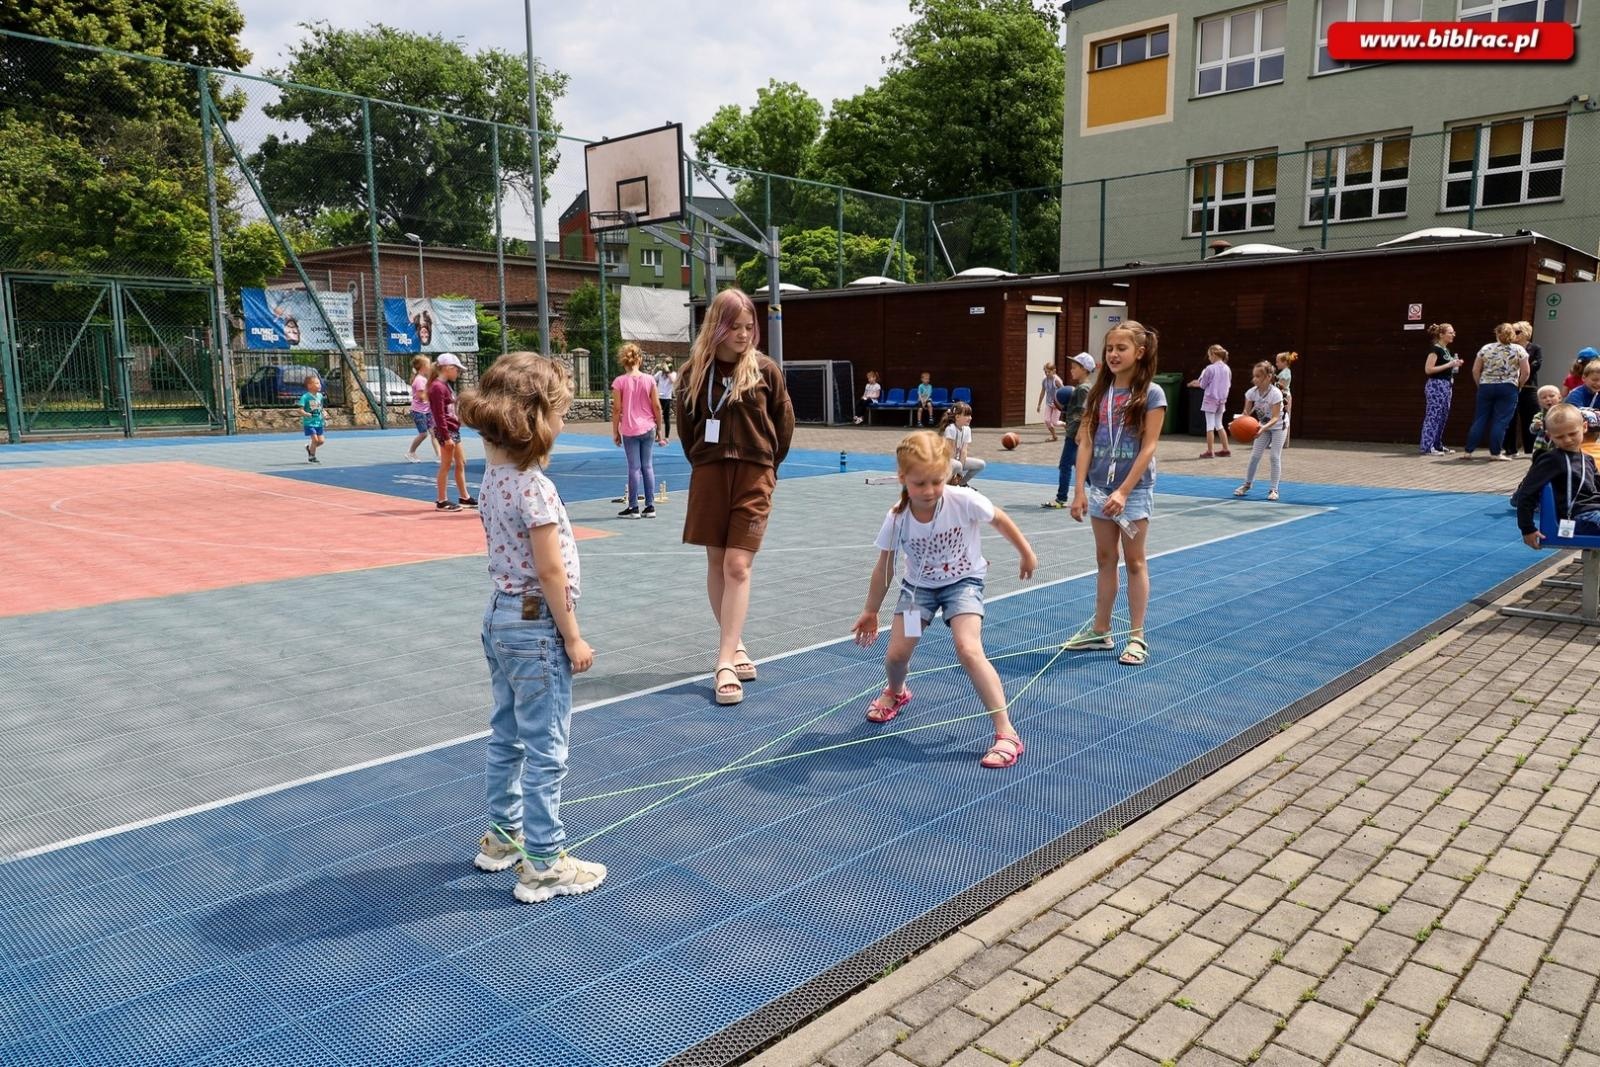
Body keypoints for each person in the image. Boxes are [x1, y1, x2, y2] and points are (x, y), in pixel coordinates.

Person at [457, 352, 606, 904]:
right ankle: (544, 863)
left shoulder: (492, 478)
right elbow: (550, 571)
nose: (564, 422)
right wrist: (573, 634)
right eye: (560, 413)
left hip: (499, 616)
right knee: (547, 749)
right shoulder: (534, 487)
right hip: (535, 624)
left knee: (507, 734)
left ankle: (503, 838)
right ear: (534, 419)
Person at [852, 430, 1038, 768]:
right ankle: (897, 692)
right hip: (917, 590)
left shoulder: (963, 499)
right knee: (897, 655)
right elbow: (885, 567)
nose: (929, 490)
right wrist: (870, 609)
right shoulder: (897, 518)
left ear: (947, 475)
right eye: (919, 483)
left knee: (969, 649)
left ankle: (1006, 731)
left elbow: (999, 518)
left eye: (936, 481)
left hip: (962, 584)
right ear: (902, 478)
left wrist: (1026, 553)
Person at [675, 288, 795, 706]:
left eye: (749, 327)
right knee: (716, 562)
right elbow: (687, 429)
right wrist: (705, 461)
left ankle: (723, 661)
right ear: (717, 327)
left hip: (754, 473)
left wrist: (767, 467)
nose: (744, 335)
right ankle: (736, 644)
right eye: (735, 327)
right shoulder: (693, 373)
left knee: (737, 565)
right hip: (709, 472)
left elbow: (784, 424)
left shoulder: (765, 370)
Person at [1062, 320, 1165, 667]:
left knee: (1135, 561)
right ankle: (1100, 630)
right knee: (1105, 559)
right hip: (1098, 490)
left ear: (1140, 352)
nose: (1113, 354)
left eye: (1121, 348)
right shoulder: (1097, 393)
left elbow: (1149, 447)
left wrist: (1123, 491)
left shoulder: (1152, 394)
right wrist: (1079, 490)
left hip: (1132, 493)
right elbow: (1085, 443)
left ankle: (1136, 636)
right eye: (1109, 349)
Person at [1512, 404, 1600, 545]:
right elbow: (1526, 493)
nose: (1567, 440)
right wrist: (1527, 529)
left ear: (1584, 427)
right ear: (1549, 436)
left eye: (1572, 434)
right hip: (1577, 517)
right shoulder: (1552, 460)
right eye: (1559, 437)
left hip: (1594, 512)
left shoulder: (1587, 459)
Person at [611, 343, 666, 519]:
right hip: (648, 427)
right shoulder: (649, 380)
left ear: (623, 361)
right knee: (647, 466)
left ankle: (633, 507)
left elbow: (616, 409)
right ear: (639, 359)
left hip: (630, 429)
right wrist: (660, 429)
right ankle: (650, 506)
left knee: (634, 467)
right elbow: (657, 406)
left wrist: (615, 431)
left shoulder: (619, 382)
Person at [1463, 323, 1531, 461]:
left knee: (1480, 418)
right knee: (1500, 421)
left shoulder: (1486, 348)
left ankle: (1468, 451)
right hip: (1508, 387)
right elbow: (1526, 372)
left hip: (1486, 386)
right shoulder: (1519, 349)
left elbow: (1475, 370)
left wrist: (1480, 385)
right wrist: (1519, 385)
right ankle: (1495, 453)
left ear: (1497, 334)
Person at [1044, 352, 1095, 509]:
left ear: (1084, 369)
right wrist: (1066, 408)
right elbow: (1077, 410)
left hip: (1075, 435)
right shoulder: (1083, 388)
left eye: (1074, 367)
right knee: (1080, 466)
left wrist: (1077, 431)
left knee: (1065, 465)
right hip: (1075, 433)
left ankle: (1061, 499)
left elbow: (1084, 412)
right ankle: (1102, 493)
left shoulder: (1083, 389)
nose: (1071, 370)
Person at [1233, 362, 1287, 502]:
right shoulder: (1251, 393)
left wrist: (1262, 428)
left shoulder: (1275, 394)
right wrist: (1235, 423)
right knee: (1255, 456)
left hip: (1278, 426)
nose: (1254, 379)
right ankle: (1247, 484)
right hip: (1263, 426)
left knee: (1274, 457)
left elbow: (1275, 417)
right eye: (1254, 376)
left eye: (1258, 376)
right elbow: (1246, 414)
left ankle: (1274, 489)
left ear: (1268, 377)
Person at [428, 352, 474, 510]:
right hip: (446, 431)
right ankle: (441, 501)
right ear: (448, 368)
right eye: (456, 369)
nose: (458, 373)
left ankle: (464, 497)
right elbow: (439, 414)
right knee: (446, 465)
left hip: (453, 429)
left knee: (461, 462)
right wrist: (446, 437)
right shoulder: (437, 387)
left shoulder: (445, 385)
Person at [1419, 323, 1463, 456]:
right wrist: (1449, 364)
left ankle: (1437, 444)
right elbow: (1428, 369)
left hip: (1446, 385)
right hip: (1436, 385)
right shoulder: (1435, 350)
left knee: (1443, 415)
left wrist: (1454, 365)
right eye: (1450, 332)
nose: (1453, 335)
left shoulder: (1446, 350)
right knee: (1433, 415)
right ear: (1441, 335)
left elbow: (1447, 367)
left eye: (1453, 332)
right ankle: (1427, 446)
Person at [1503, 321, 1543, 455]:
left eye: (1517, 332)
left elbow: (1537, 364)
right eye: (1512, 331)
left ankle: (1530, 449)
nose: (1514, 334)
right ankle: (1510, 448)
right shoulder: (1509, 348)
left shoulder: (1535, 348)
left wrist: (1523, 370)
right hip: (1512, 386)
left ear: (1525, 332)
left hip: (1529, 386)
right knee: (1510, 418)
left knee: (1531, 416)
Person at [1189, 344, 1233, 458]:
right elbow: (1228, 384)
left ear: (1213, 354)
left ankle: (1210, 451)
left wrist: (1197, 382)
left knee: (1210, 425)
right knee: (1219, 424)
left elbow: (1203, 385)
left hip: (1210, 399)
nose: (1209, 358)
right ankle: (1226, 449)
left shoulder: (1209, 368)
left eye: (1209, 355)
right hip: (1222, 400)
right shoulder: (1227, 369)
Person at [940, 401, 985, 486]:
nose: (970, 418)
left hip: (958, 462)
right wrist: (957, 473)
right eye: (967, 415)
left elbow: (964, 451)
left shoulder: (967, 429)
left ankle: (962, 484)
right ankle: (945, 483)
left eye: (970, 415)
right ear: (957, 417)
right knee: (957, 465)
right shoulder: (951, 429)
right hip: (945, 461)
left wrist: (959, 474)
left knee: (981, 464)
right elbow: (951, 452)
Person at [406, 355, 436, 462]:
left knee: (434, 433)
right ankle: (411, 452)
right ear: (423, 367)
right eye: (428, 364)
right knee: (423, 434)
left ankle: (440, 456)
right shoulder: (419, 380)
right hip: (419, 412)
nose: (430, 366)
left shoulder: (424, 379)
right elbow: (421, 397)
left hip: (427, 411)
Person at [1527, 385, 1564, 457]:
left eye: (1552, 396)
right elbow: (1532, 430)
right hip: (1541, 445)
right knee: (1540, 461)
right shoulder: (1539, 416)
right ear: (1539, 402)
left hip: (1559, 444)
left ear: (1559, 398)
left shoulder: (1565, 413)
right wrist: (1536, 426)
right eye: (1544, 397)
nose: (1548, 399)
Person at [299, 373, 326, 463]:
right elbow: (300, 410)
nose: (319, 385)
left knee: (321, 441)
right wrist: (306, 414)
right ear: (309, 386)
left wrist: (324, 413)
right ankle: (312, 456)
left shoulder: (320, 396)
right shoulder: (305, 397)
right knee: (315, 439)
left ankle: (310, 449)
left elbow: (320, 408)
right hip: (309, 423)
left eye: (319, 383)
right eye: (317, 383)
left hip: (319, 422)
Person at [1037, 362, 1064, 442]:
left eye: (1049, 372)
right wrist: (1039, 404)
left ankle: (1065, 424)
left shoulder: (1057, 380)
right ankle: (1054, 436)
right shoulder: (1044, 380)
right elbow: (1042, 392)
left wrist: (1060, 403)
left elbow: (1064, 391)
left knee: (1055, 422)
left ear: (1054, 371)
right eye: (1045, 372)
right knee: (1047, 420)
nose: (1047, 374)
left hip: (1057, 404)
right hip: (1049, 403)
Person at [1274, 351, 1297, 446]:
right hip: (1283, 395)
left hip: (1284, 397)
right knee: (1283, 417)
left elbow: (1280, 386)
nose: (1276, 364)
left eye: (1278, 362)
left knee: (1284, 417)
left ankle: (1283, 441)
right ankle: (1283, 441)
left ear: (1285, 362)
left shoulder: (1285, 373)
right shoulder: (1285, 372)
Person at [654, 358, 677, 440]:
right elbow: (652, 380)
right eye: (665, 363)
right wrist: (655, 369)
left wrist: (668, 371)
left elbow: (673, 380)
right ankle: (657, 435)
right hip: (658, 397)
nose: (665, 365)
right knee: (657, 416)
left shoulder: (673, 374)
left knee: (666, 417)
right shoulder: (660, 373)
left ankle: (666, 437)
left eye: (667, 363)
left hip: (667, 398)